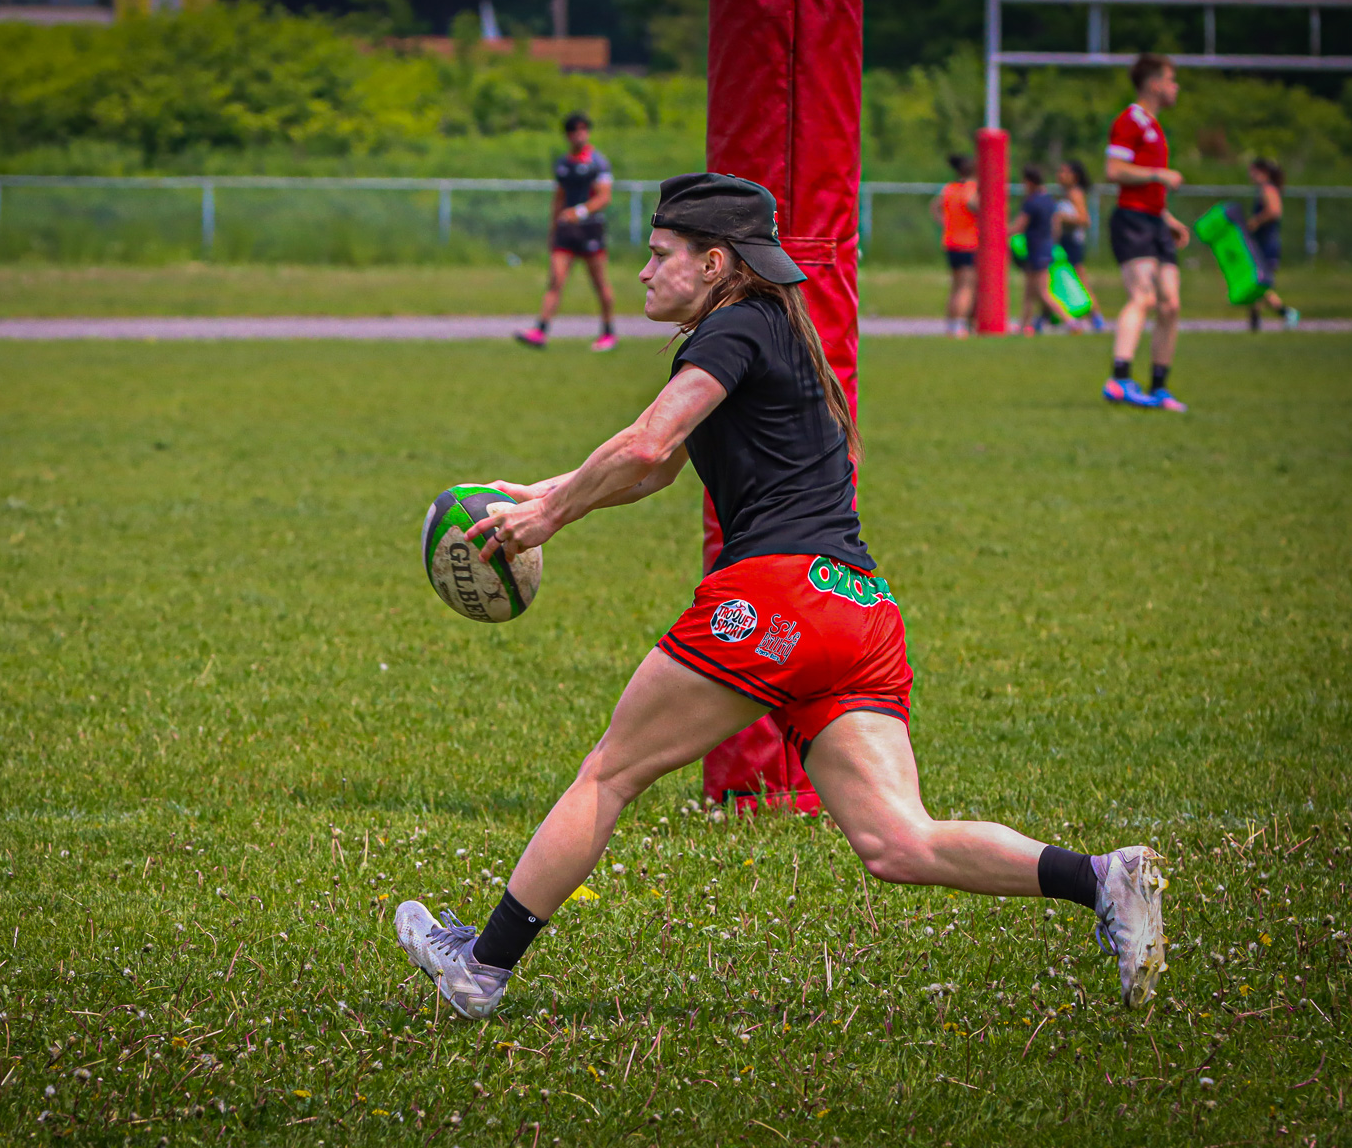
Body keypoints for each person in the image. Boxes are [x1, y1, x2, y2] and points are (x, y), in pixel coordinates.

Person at [394, 173, 1169, 1021]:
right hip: (858, 609)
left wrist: (550, 514)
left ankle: (482, 966)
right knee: (896, 840)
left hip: (778, 598)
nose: (645, 271)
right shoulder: (772, 331)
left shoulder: (732, 329)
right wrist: (539, 493)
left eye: (659, 255)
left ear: (714, 262)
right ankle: (1101, 879)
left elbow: (649, 438)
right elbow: (656, 466)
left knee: (611, 773)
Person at [1103, 52, 1190, 412]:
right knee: (1143, 297)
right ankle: (1120, 379)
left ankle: (1158, 387)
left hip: (1153, 219)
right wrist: (1158, 175)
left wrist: (1166, 217)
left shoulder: (1155, 126)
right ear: (1154, 84)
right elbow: (1114, 170)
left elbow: (1145, 184)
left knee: (1170, 304)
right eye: (1171, 80)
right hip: (1132, 220)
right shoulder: (1131, 120)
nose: (1175, 87)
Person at [516, 112, 618, 353]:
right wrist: (554, 228)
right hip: (565, 230)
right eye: (574, 131)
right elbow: (559, 197)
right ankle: (540, 330)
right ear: (568, 135)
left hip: (590, 228)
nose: (579, 134)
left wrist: (579, 212)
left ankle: (608, 332)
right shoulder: (563, 163)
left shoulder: (598, 162)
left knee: (600, 282)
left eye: (583, 129)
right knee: (556, 280)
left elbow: (604, 196)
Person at [1009, 164, 1078, 334]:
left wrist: (998, 232)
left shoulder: (1031, 202)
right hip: (1046, 248)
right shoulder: (1049, 200)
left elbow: (1019, 226)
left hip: (1036, 250)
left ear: (1030, 182)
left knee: (1042, 292)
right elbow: (1056, 227)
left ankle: (1071, 323)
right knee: (1029, 292)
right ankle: (1023, 326)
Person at [1245, 157, 1300, 332]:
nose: (1250, 174)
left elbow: (1275, 211)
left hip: (1267, 244)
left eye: (1253, 170)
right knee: (1254, 284)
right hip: (1260, 244)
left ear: (1262, 172)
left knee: (1260, 285)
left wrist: (1256, 221)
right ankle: (1254, 322)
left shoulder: (1268, 189)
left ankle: (1287, 313)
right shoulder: (1264, 189)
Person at [1056, 159, 1107, 331]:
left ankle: (1096, 317)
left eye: (1065, 172)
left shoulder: (1074, 194)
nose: (1060, 175)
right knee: (1058, 281)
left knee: (1080, 282)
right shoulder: (1066, 193)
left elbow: (1085, 220)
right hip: (1064, 242)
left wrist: (1062, 217)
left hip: (1073, 244)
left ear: (1074, 177)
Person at [930, 154, 979, 338]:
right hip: (968, 243)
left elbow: (935, 206)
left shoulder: (949, 188)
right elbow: (972, 204)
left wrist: (944, 222)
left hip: (951, 242)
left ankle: (951, 324)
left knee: (956, 285)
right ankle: (959, 325)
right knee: (967, 286)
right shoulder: (970, 188)